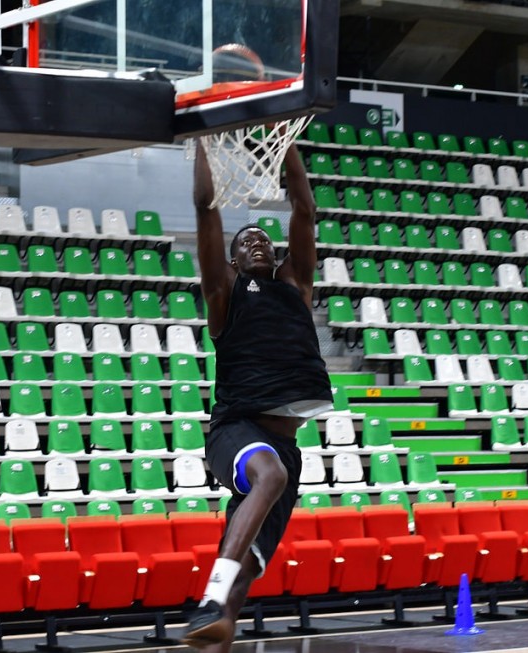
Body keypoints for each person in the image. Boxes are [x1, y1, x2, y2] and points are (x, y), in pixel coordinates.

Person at [182, 135, 333, 651]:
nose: (257, 242)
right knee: (270, 474)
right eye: (245, 241)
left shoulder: (295, 286)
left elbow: (305, 209)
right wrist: (204, 140)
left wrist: (283, 139)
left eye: (264, 238)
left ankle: (216, 618)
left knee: (244, 580)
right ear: (231, 261)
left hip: (284, 443)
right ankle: (210, 595)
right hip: (236, 430)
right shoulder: (224, 293)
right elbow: (206, 207)